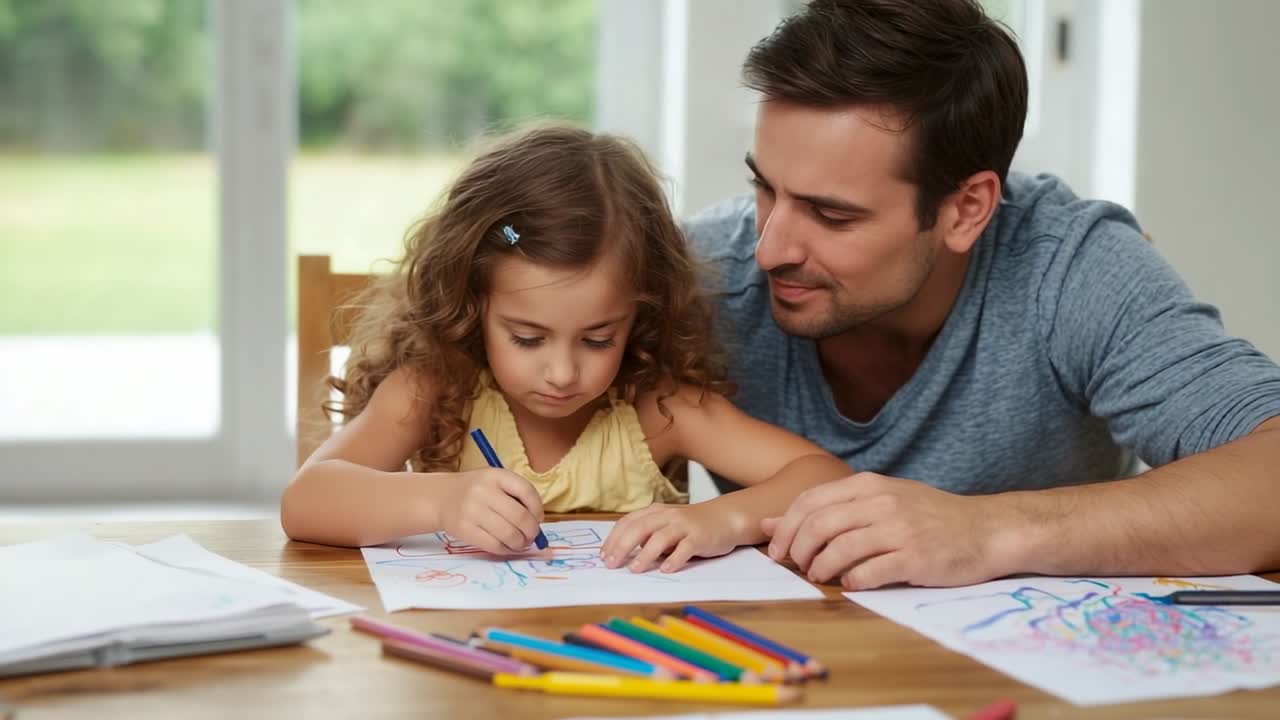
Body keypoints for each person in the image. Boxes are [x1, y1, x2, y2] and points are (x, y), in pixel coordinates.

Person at [684, 0, 1280, 591]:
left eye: (832, 215)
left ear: (966, 209)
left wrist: (985, 531)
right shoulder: (704, 276)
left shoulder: (1070, 267)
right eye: (764, 187)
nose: (770, 249)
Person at [280, 123, 851, 572]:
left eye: (598, 338)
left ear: (640, 314)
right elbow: (306, 501)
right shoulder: (433, 392)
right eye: (527, 338)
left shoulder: (658, 409)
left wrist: (720, 520)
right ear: (472, 302)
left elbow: (822, 478)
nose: (561, 371)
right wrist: (441, 502)